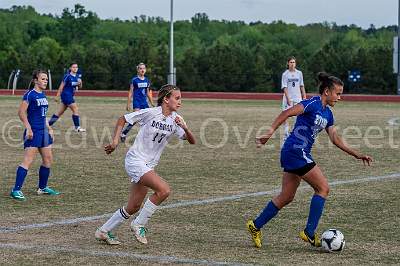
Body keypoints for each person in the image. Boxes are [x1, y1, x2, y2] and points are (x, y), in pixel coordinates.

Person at [247, 72, 373, 248]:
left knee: (286, 196)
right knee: (323, 188)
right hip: (295, 151)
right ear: (327, 92)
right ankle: (309, 232)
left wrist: (356, 154)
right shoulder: (311, 103)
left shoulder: (328, 114)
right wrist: (269, 132)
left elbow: (335, 140)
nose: (339, 97)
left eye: (341, 94)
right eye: (338, 93)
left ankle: (255, 225)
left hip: (296, 153)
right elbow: (286, 113)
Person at [95, 84, 195, 245]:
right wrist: (115, 142)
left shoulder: (177, 119)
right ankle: (139, 224)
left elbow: (192, 141)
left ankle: (103, 231)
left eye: (180, 99)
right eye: (177, 98)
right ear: (166, 99)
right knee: (164, 190)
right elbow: (123, 119)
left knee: (133, 206)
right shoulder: (151, 113)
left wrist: (185, 128)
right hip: (135, 160)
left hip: (148, 166)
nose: (180, 102)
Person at [10, 70, 60, 201]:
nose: (45, 81)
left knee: (48, 160)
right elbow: (21, 112)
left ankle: (42, 188)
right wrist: (28, 128)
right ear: (35, 80)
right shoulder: (30, 95)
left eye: (46, 80)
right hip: (33, 132)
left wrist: (49, 128)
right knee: (28, 161)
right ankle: (16, 190)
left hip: (43, 132)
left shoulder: (42, 95)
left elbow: (42, 115)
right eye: (43, 79)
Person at [120, 63, 155, 142]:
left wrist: (152, 102)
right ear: (138, 70)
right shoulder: (134, 80)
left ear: (145, 70)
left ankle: (147, 136)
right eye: (140, 68)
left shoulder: (147, 80)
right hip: (137, 102)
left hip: (144, 103)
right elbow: (130, 92)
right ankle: (124, 133)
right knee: (135, 119)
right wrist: (128, 103)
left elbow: (148, 93)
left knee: (149, 119)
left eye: (144, 68)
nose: (142, 70)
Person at [48, 62, 86, 132]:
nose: (75, 68)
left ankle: (47, 124)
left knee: (59, 112)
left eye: (76, 67)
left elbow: (80, 87)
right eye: (73, 67)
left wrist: (80, 82)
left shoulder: (77, 77)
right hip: (66, 95)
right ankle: (77, 127)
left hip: (70, 95)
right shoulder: (67, 76)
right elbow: (61, 86)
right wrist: (57, 96)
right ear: (70, 68)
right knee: (75, 109)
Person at [281, 56, 307, 141]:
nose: (292, 64)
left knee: (298, 117)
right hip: (288, 99)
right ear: (288, 63)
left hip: (298, 98)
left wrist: (304, 96)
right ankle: (285, 134)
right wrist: (288, 98)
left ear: (295, 64)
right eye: (291, 62)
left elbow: (301, 85)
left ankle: (296, 134)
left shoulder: (299, 73)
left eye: (293, 62)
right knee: (285, 116)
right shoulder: (285, 74)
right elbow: (284, 87)